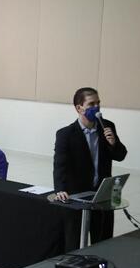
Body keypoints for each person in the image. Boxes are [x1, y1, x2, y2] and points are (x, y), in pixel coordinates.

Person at [54, 87, 128, 247]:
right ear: (79, 108)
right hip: (77, 195)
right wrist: (60, 189)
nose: (97, 107)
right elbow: (60, 165)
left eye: (98, 103)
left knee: (103, 240)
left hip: (102, 194)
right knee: (74, 241)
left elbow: (121, 155)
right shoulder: (65, 134)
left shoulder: (107, 126)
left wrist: (114, 143)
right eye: (91, 104)